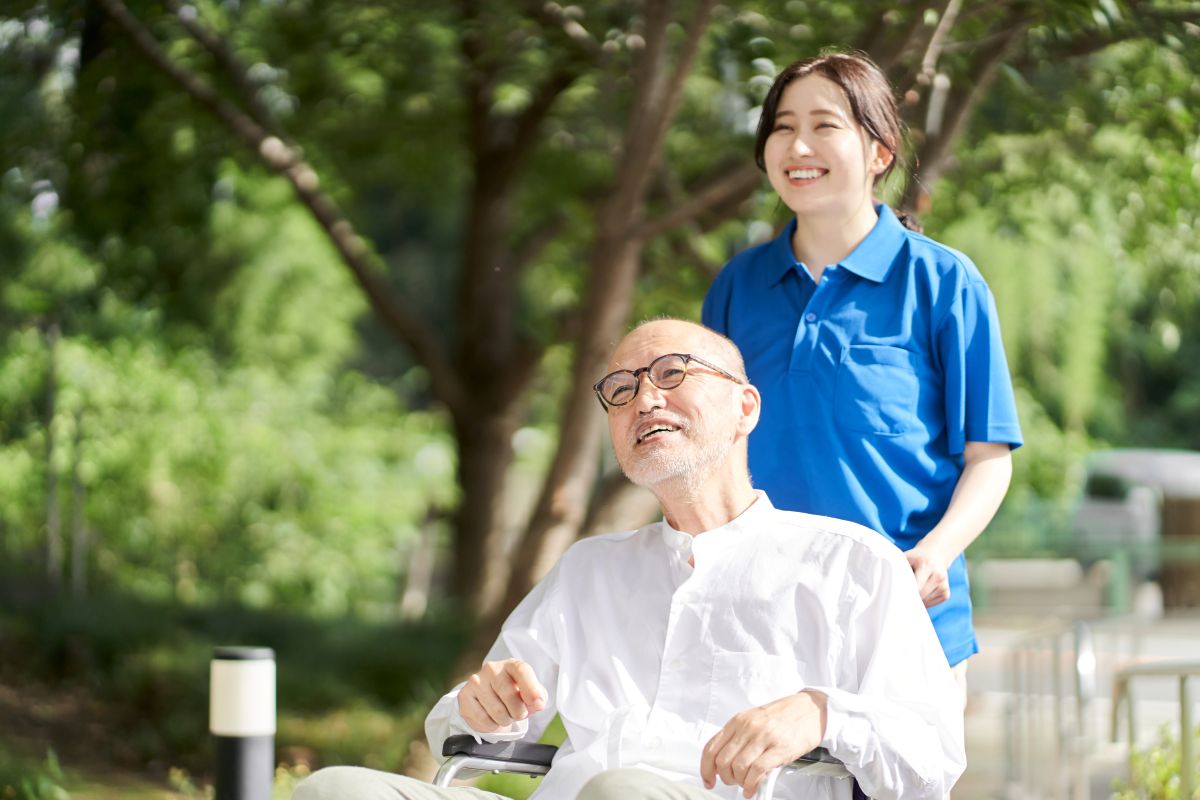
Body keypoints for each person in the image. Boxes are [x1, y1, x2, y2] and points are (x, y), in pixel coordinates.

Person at [294, 319, 964, 800]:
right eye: (620, 389)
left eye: (672, 373)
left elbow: (933, 761)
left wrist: (823, 712)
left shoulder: (852, 563)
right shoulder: (589, 571)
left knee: (622, 792)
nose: (644, 398)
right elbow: (459, 734)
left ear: (745, 407)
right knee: (333, 789)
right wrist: (480, 708)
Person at [702, 52, 1023, 677]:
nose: (798, 144)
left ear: (879, 153)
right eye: (782, 126)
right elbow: (711, 449)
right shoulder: (738, 287)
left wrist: (935, 555)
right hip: (760, 627)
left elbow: (989, 458)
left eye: (825, 125)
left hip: (906, 622)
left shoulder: (943, 282)